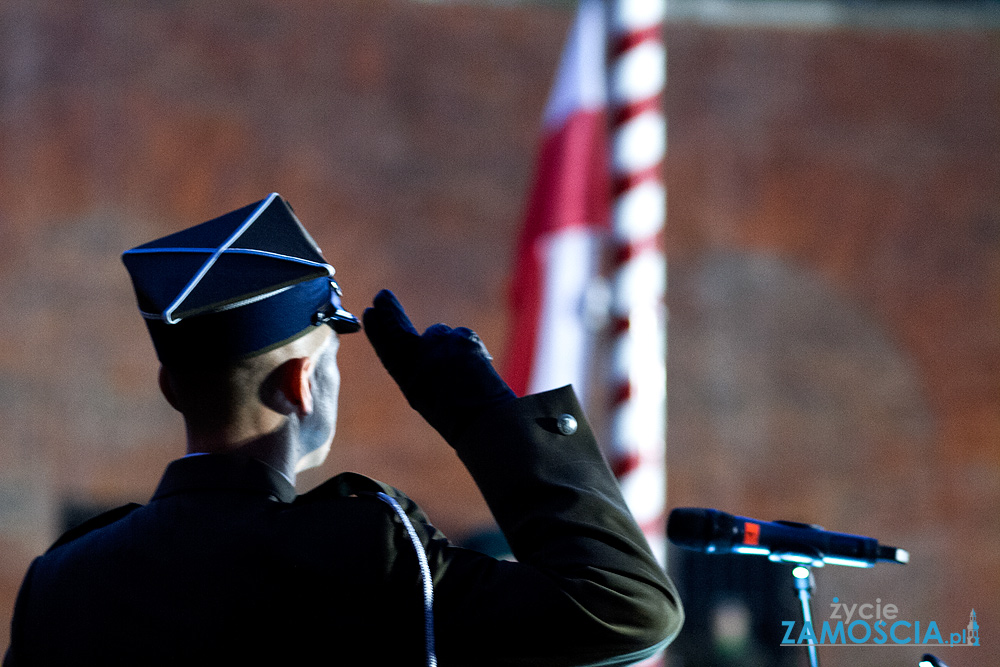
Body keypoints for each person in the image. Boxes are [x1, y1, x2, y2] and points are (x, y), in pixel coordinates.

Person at [4, 194, 683, 666]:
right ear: (302, 383)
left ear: (169, 385)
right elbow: (624, 606)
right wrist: (479, 414)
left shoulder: (62, 582)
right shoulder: (365, 555)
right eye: (330, 361)